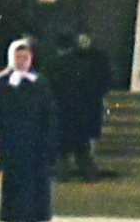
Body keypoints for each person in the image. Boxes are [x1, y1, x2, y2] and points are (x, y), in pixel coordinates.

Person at [0, 37, 60, 222]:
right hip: (10, 152)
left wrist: (49, 145)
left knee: (33, 201)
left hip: (34, 152)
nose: (22, 60)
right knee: (11, 200)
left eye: (26, 56)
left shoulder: (39, 83)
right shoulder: (0, 83)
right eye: (18, 56)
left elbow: (50, 116)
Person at [47, 29, 112, 180]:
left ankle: (62, 175)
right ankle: (90, 175)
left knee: (62, 150)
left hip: (60, 112)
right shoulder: (82, 65)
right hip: (80, 113)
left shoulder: (51, 65)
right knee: (82, 149)